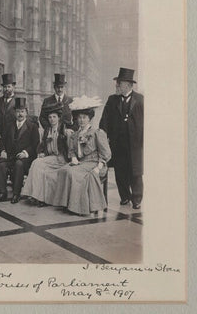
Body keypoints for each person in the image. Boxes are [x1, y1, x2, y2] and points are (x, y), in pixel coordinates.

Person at [52, 96, 112, 215]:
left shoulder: (97, 133)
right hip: (80, 163)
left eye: (84, 117)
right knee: (63, 170)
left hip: (95, 163)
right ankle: (66, 203)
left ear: (89, 119)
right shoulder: (75, 134)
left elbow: (106, 153)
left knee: (73, 173)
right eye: (79, 117)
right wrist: (73, 158)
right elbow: (72, 150)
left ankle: (78, 207)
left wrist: (98, 167)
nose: (81, 120)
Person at [99, 67, 144, 209]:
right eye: (118, 82)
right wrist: (103, 136)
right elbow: (104, 120)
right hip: (118, 143)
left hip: (135, 144)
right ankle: (124, 197)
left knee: (135, 172)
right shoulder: (112, 100)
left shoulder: (140, 100)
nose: (117, 85)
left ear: (129, 85)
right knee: (120, 170)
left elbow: (146, 123)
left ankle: (136, 199)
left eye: (120, 83)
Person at [21, 103, 72, 207]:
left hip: (61, 159)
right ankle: (36, 195)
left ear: (58, 118)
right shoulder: (47, 130)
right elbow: (42, 144)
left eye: (54, 117)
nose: (52, 119)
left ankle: (37, 196)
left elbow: (70, 149)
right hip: (51, 158)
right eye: (50, 117)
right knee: (36, 163)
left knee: (38, 165)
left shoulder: (64, 130)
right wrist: (41, 152)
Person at [0, 98, 40, 203]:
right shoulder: (9, 125)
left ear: (26, 112)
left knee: (19, 164)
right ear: (15, 113)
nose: (20, 114)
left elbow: (35, 145)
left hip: (24, 159)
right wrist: (2, 150)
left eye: (22, 111)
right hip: (10, 156)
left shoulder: (32, 127)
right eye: (18, 111)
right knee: (1, 165)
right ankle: (2, 193)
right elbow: (2, 141)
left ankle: (16, 193)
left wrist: (25, 153)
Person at [0, 73, 17, 139]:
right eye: (5, 87)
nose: (6, 89)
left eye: (9, 87)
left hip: (12, 137)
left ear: (13, 87)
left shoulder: (18, 102)